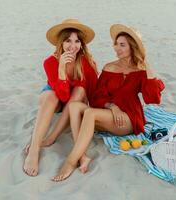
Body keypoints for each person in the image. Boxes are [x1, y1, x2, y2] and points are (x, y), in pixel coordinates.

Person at [51, 24, 165, 181]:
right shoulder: (109, 67)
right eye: (116, 44)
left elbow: (153, 99)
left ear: (132, 47)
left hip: (127, 119)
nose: (116, 48)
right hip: (108, 115)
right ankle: (82, 155)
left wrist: (147, 67)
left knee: (90, 113)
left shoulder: (141, 71)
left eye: (122, 45)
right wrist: (112, 107)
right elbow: (97, 96)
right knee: (74, 106)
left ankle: (70, 161)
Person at [23, 19, 98, 176]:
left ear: (82, 44)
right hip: (56, 97)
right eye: (68, 41)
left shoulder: (85, 61)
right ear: (61, 43)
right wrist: (62, 69)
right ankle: (34, 149)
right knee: (51, 96)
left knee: (79, 90)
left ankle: (52, 137)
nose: (73, 46)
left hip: (74, 102)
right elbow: (62, 96)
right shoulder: (50, 62)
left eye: (77, 41)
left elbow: (93, 91)